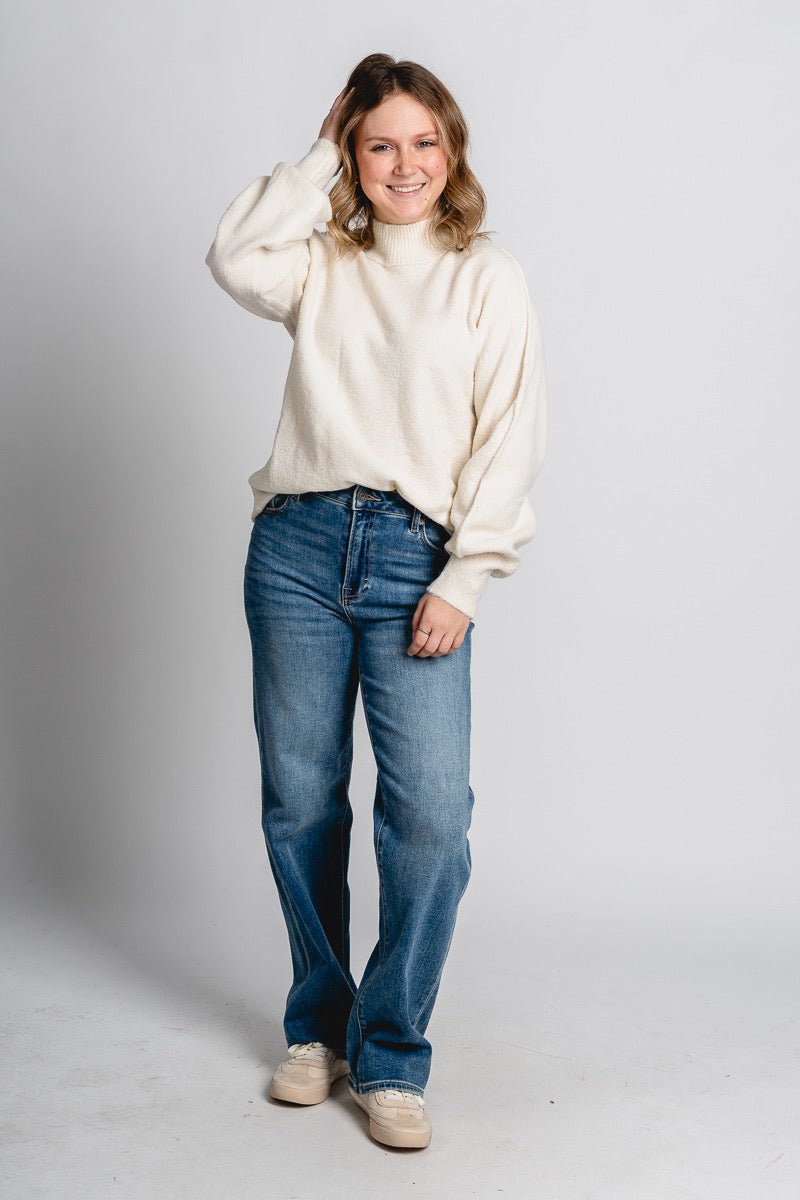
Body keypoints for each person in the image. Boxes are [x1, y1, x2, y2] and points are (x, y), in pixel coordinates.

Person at [204, 52, 548, 1150]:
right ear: (352, 156)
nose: (404, 164)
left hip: (414, 556)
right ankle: (319, 1026)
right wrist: (314, 155)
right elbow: (231, 255)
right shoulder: (321, 263)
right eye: (378, 143)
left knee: (431, 815)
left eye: (423, 141)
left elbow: (510, 435)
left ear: (452, 151)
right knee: (301, 802)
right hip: (296, 549)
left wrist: (465, 576)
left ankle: (391, 1047)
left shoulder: (485, 275)